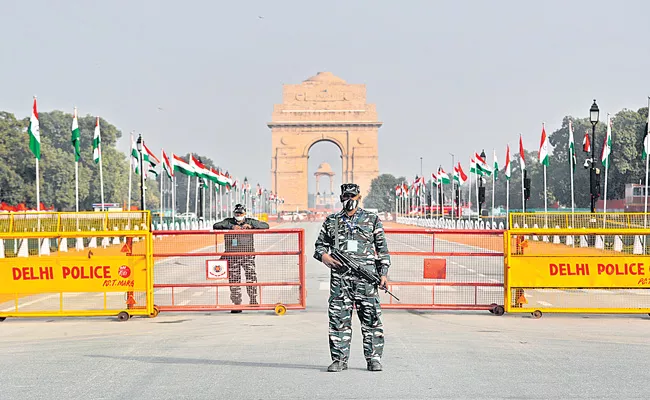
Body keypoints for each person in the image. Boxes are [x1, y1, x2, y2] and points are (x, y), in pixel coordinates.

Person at [314, 183, 391, 372]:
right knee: (338, 320)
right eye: (346, 196)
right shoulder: (332, 221)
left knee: (371, 319)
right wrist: (325, 258)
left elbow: (382, 249)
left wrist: (384, 273)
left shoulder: (371, 219)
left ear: (359, 197)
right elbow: (319, 246)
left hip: (366, 279)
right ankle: (339, 360)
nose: (350, 200)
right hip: (341, 281)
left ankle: (373, 358)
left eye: (353, 196)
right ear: (341, 198)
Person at [213, 204, 269, 313]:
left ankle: (253, 300)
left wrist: (251, 227)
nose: (238, 215)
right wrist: (231, 227)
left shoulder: (250, 221)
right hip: (232, 255)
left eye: (240, 213)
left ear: (244, 214)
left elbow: (265, 225)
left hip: (247, 254)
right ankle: (237, 303)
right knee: (234, 279)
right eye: (237, 213)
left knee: (251, 277)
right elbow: (216, 225)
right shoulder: (228, 222)